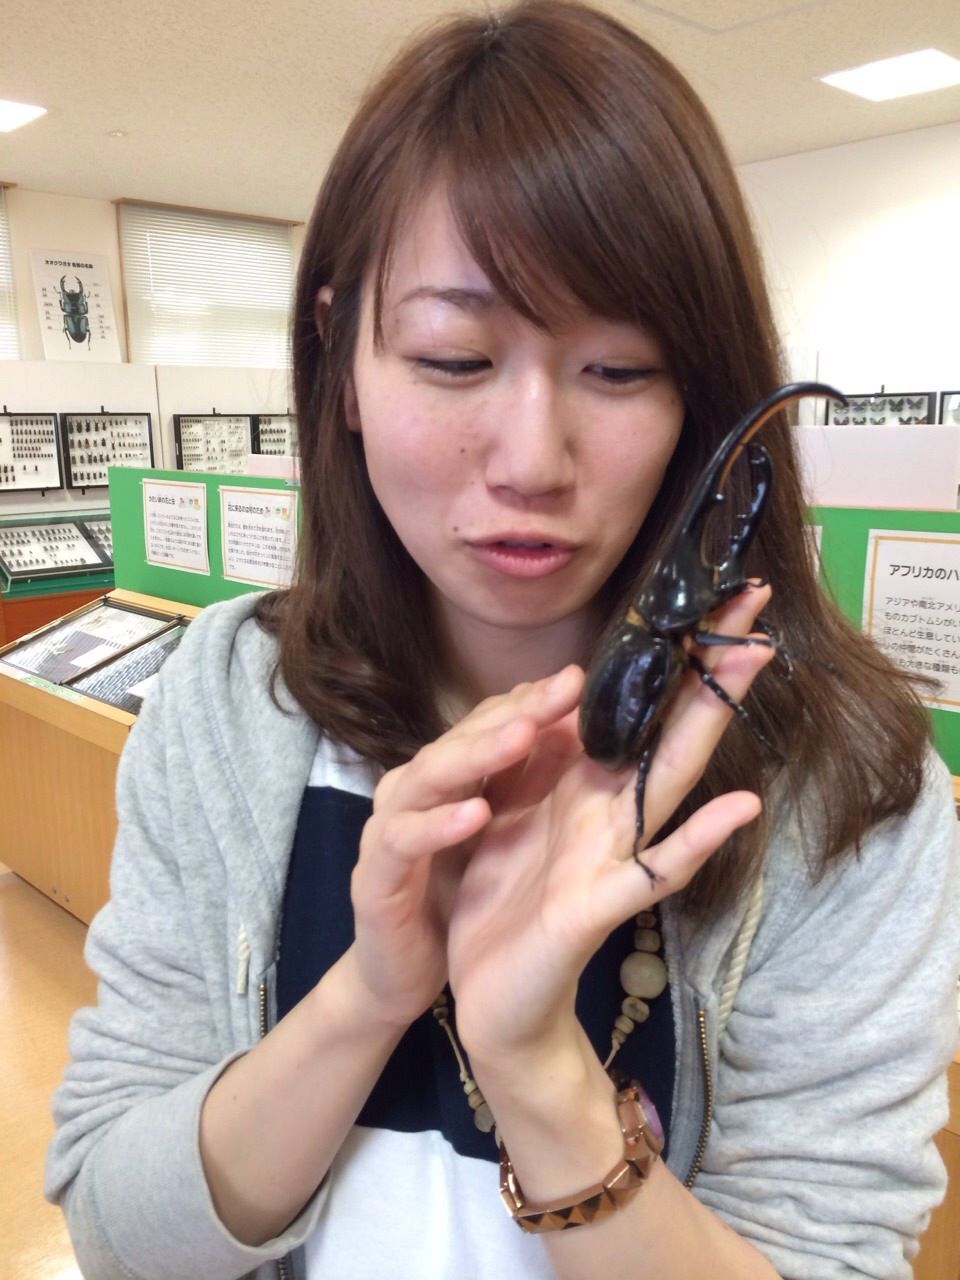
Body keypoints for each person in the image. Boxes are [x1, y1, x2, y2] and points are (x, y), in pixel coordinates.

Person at [46, 3, 959, 1278]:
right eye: (457, 356)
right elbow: (120, 1236)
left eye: (622, 368)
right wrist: (371, 991)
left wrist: (537, 1064)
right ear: (342, 358)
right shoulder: (229, 694)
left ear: (701, 387)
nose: (534, 460)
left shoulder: (851, 782)